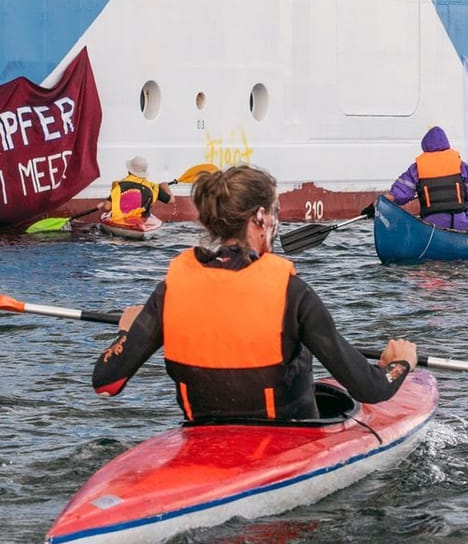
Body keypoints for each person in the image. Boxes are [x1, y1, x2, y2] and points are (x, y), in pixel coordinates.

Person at [92, 165, 417, 421]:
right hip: (287, 441)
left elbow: (106, 382)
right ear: (260, 219)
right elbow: (371, 389)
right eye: (274, 213)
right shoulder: (292, 292)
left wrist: (126, 333)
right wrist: (400, 363)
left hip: (205, 438)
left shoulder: (171, 288)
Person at [388, 126, 468, 230]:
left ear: (425, 145)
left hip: (432, 224)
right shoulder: (461, 165)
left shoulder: (417, 168)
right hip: (461, 222)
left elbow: (401, 192)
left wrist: (388, 198)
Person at [107, 155, 171, 223]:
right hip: (141, 221)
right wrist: (166, 188)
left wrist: (102, 207)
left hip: (120, 220)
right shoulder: (152, 188)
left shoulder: (120, 186)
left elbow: (107, 207)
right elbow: (171, 200)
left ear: (129, 171)